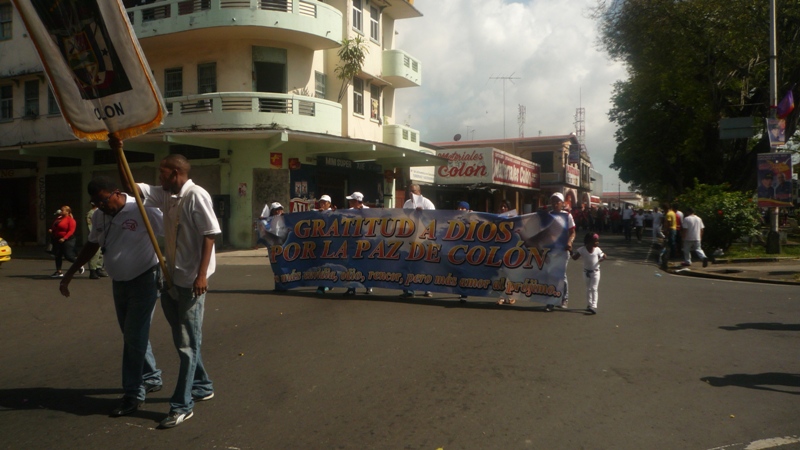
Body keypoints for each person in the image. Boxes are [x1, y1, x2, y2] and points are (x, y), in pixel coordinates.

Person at [118, 148, 220, 429]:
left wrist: (202, 276)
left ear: (175, 173)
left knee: (187, 345)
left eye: (162, 173)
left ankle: (182, 405)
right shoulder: (166, 195)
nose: (158, 178)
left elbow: (210, 234)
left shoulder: (196, 195)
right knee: (182, 339)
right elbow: (131, 187)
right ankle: (202, 385)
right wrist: (117, 150)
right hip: (171, 278)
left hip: (191, 283)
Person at [58, 176, 164, 417]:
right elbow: (92, 245)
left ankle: (133, 393)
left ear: (116, 193)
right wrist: (70, 273)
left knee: (134, 336)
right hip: (120, 283)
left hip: (145, 279)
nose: (100, 206)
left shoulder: (141, 208)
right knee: (132, 334)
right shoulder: (99, 216)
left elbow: (170, 230)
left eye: (103, 201)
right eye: (95, 203)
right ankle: (151, 377)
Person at [401, 184, 436, 298]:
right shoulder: (407, 203)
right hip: (410, 237)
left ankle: (427, 289)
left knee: (423, 264)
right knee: (410, 264)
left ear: (419, 192)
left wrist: (423, 213)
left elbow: (433, 219)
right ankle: (409, 290)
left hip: (424, 239)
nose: (411, 193)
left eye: (413, 191)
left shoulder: (427, 203)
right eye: (409, 191)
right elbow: (404, 217)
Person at [546, 192, 576, 312]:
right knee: (551, 275)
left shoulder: (567, 216)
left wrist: (570, 242)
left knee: (561, 275)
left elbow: (573, 232)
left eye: (557, 201)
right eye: (553, 201)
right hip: (551, 250)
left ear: (562, 203)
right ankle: (551, 301)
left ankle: (564, 298)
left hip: (563, 250)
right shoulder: (548, 215)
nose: (555, 203)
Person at [344, 192, 372, 296]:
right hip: (352, 241)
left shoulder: (368, 210)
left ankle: (368, 286)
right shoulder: (349, 211)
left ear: (356, 201)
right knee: (351, 265)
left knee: (365, 265)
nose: (349, 202)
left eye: (351, 201)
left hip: (365, 241)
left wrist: (362, 212)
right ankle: (352, 287)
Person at [571, 232, 606, 315]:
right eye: (595, 241)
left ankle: (594, 306)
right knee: (588, 289)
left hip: (596, 272)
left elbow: (602, 256)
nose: (597, 243)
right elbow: (575, 258)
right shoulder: (582, 249)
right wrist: (570, 251)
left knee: (594, 288)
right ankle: (589, 304)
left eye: (597, 241)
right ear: (589, 241)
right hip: (586, 272)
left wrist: (603, 257)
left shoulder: (597, 249)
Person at [48, 206, 84, 278]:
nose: (60, 211)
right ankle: (59, 272)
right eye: (61, 210)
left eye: (62, 210)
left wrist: (64, 238)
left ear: (67, 212)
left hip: (68, 240)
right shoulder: (58, 218)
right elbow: (55, 227)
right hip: (57, 239)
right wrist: (52, 230)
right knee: (58, 255)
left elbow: (71, 231)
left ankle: (79, 264)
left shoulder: (70, 220)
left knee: (68, 256)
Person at [315, 195, 333, 295]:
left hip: (331, 243)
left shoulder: (333, 213)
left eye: (324, 202)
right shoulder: (317, 212)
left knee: (328, 264)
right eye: (321, 202)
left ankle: (323, 285)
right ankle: (324, 284)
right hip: (320, 243)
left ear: (329, 204)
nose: (322, 204)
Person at [86, 203, 109, 279]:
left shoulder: (102, 212)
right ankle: (92, 270)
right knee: (95, 254)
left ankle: (98, 268)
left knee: (101, 253)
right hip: (96, 235)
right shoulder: (91, 213)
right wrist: (95, 236)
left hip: (102, 235)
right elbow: (90, 226)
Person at [456, 201, 471, 303]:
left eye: (463, 208)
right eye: (459, 207)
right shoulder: (453, 219)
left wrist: (472, 216)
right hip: (455, 249)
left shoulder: (471, 219)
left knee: (464, 272)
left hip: (467, 250)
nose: (461, 209)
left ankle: (464, 293)